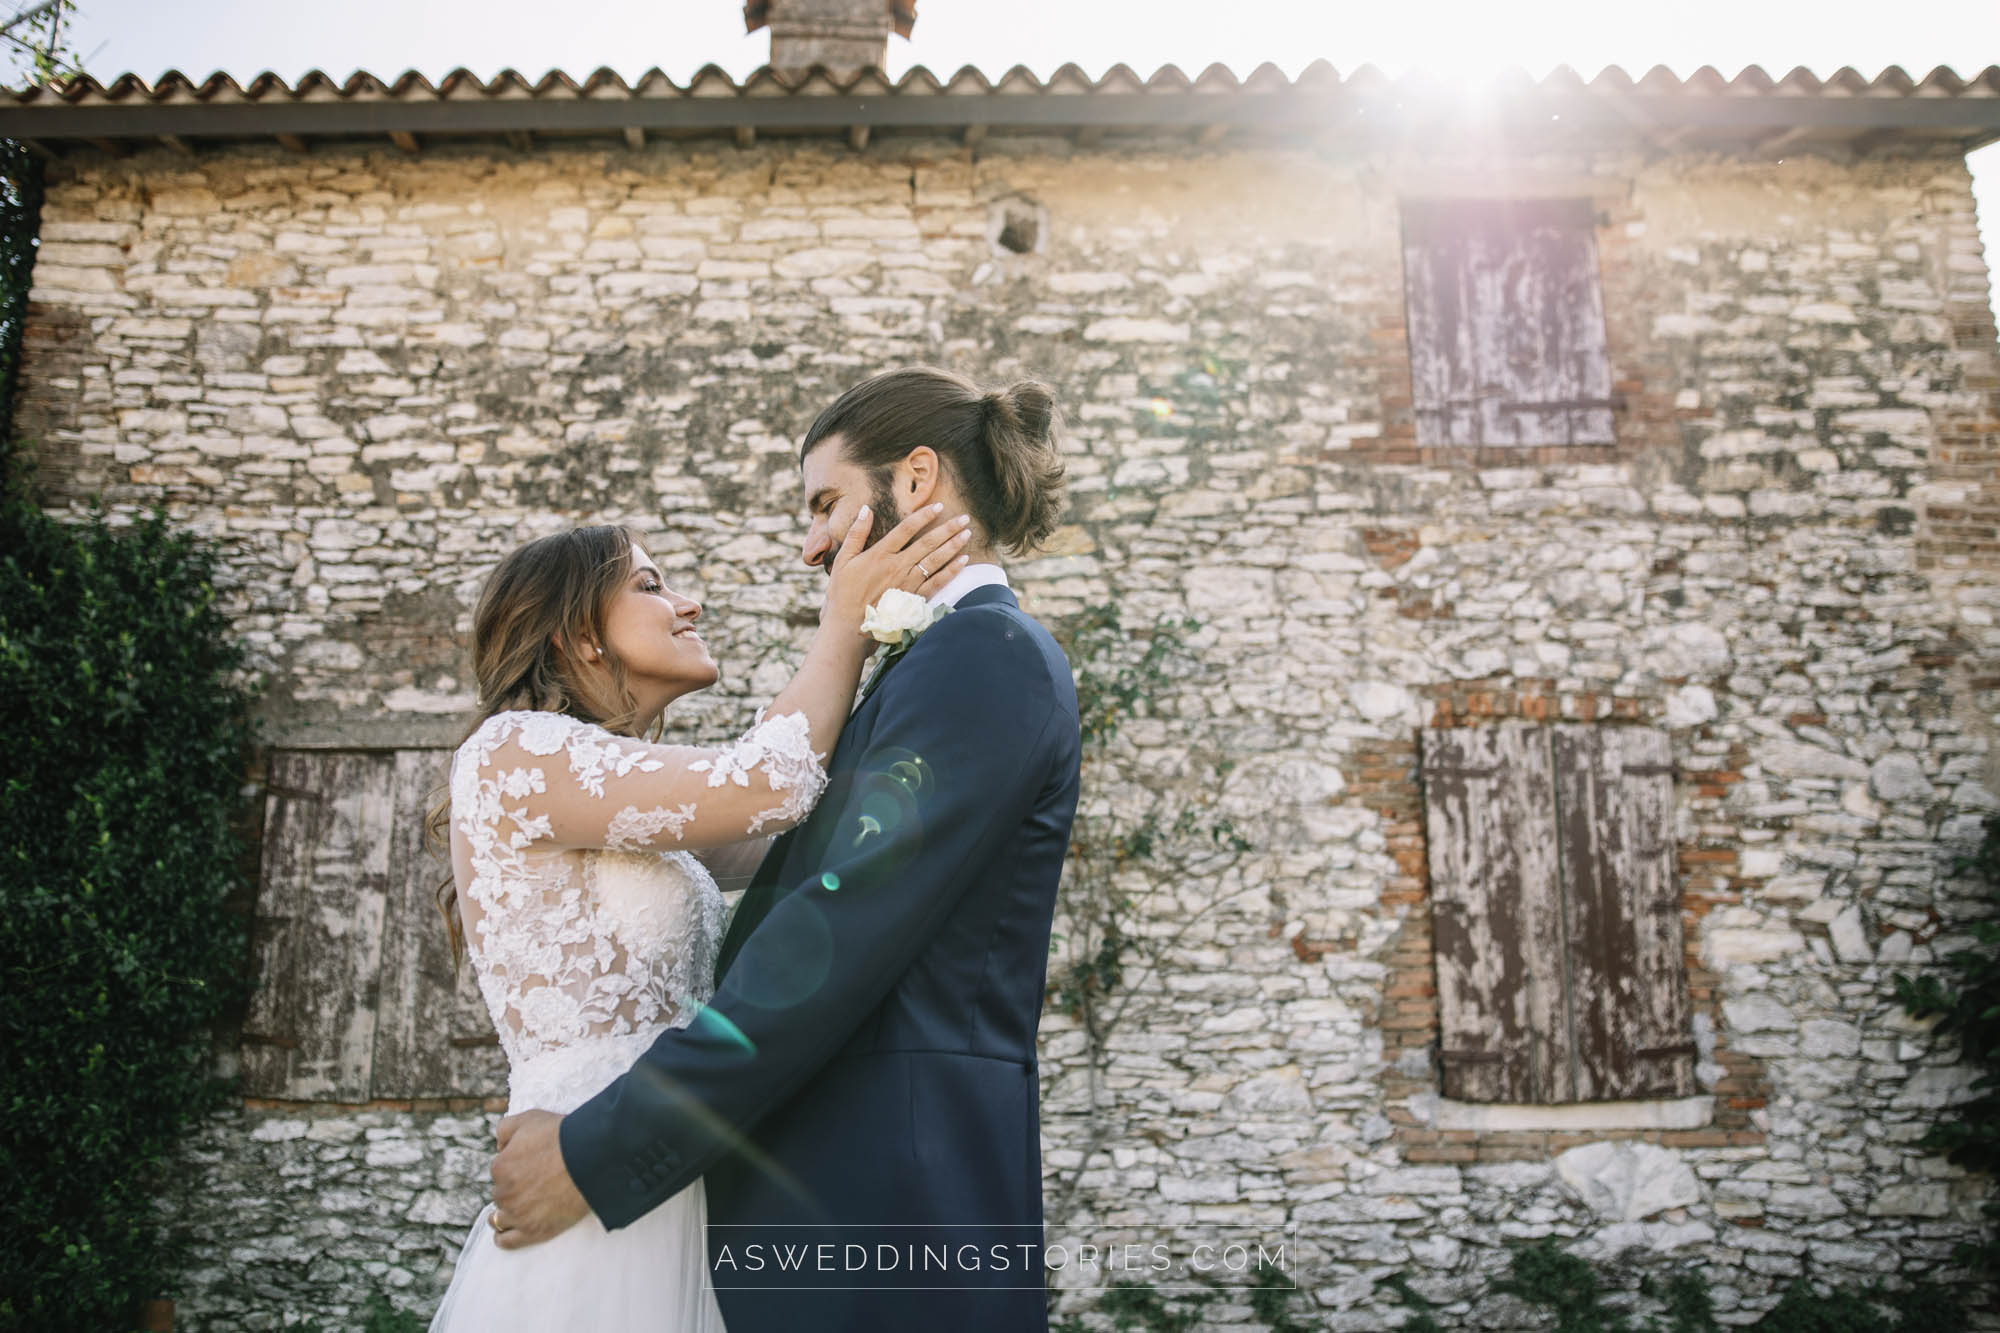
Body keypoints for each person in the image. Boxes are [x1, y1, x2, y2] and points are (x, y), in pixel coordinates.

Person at [486, 367, 1083, 1333]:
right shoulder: (931, 668)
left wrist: (600, 1151)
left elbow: (831, 935)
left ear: (918, 480)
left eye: (825, 504)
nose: (811, 544)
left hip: (893, 1222)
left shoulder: (986, 658)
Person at [425, 497, 973, 1332]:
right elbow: (769, 784)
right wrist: (848, 622)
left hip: (672, 1153)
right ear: (579, 635)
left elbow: (796, 835)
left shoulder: (628, 802)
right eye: (651, 584)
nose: (689, 603)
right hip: (584, 1161)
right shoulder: (511, 754)